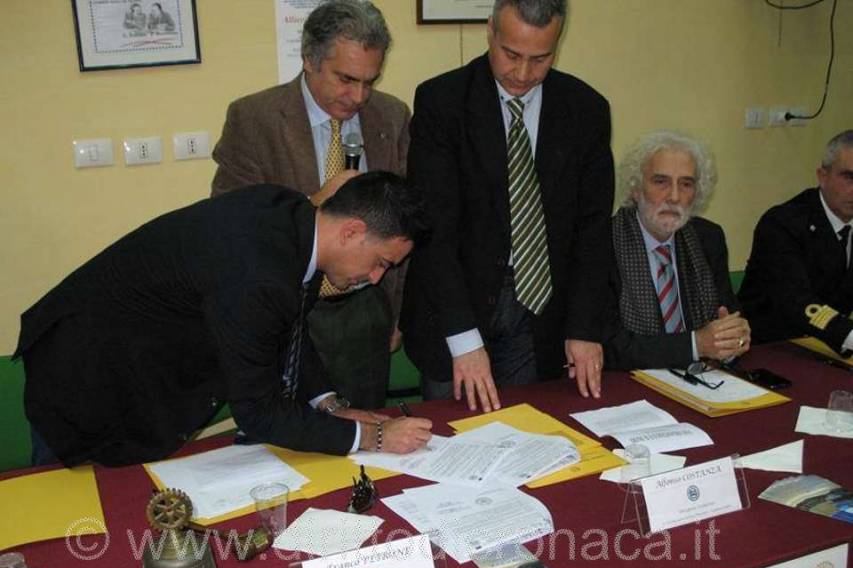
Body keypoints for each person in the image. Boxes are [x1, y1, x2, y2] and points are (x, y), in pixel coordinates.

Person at [14, 172, 433, 468]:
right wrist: (374, 438)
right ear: (352, 231)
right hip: (86, 383)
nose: (377, 278)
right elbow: (259, 413)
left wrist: (330, 406)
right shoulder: (259, 272)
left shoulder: (293, 218)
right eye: (380, 262)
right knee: (79, 536)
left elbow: (289, 329)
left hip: (129, 365)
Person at [401, 0, 614, 412]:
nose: (522, 73)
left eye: (540, 59)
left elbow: (592, 229)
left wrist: (585, 327)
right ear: (490, 32)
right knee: (454, 442)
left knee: (530, 432)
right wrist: (463, 340)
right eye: (511, 54)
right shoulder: (442, 102)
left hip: (540, 313)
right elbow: (434, 230)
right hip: (456, 309)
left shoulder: (585, 109)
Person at [211, 0, 410, 409]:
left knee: (364, 437)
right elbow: (229, 227)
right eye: (346, 79)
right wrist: (313, 203)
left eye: (370, 81)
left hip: (364, 312)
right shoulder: (255, 118)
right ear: (309, 59)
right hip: (286, 314)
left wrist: (395, 315)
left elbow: (405, 225)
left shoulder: (391, 116)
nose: (358, 96)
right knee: (289, 447)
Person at [602, 131, 750, 370]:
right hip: (628, 385)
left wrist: (733, 340)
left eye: (686, 184)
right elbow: (608, 346)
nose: (673, 196)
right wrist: (695, 344)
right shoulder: (603, 243)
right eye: (660, 182)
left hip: (701, 382)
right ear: (636, 188)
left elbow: (728, 318)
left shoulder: (707, 238)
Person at [739, 130, 853, 357]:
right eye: (849, 178)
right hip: (769, 349)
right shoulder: (782, 223)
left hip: (827, 347)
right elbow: (799, 303)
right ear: (822, 176)